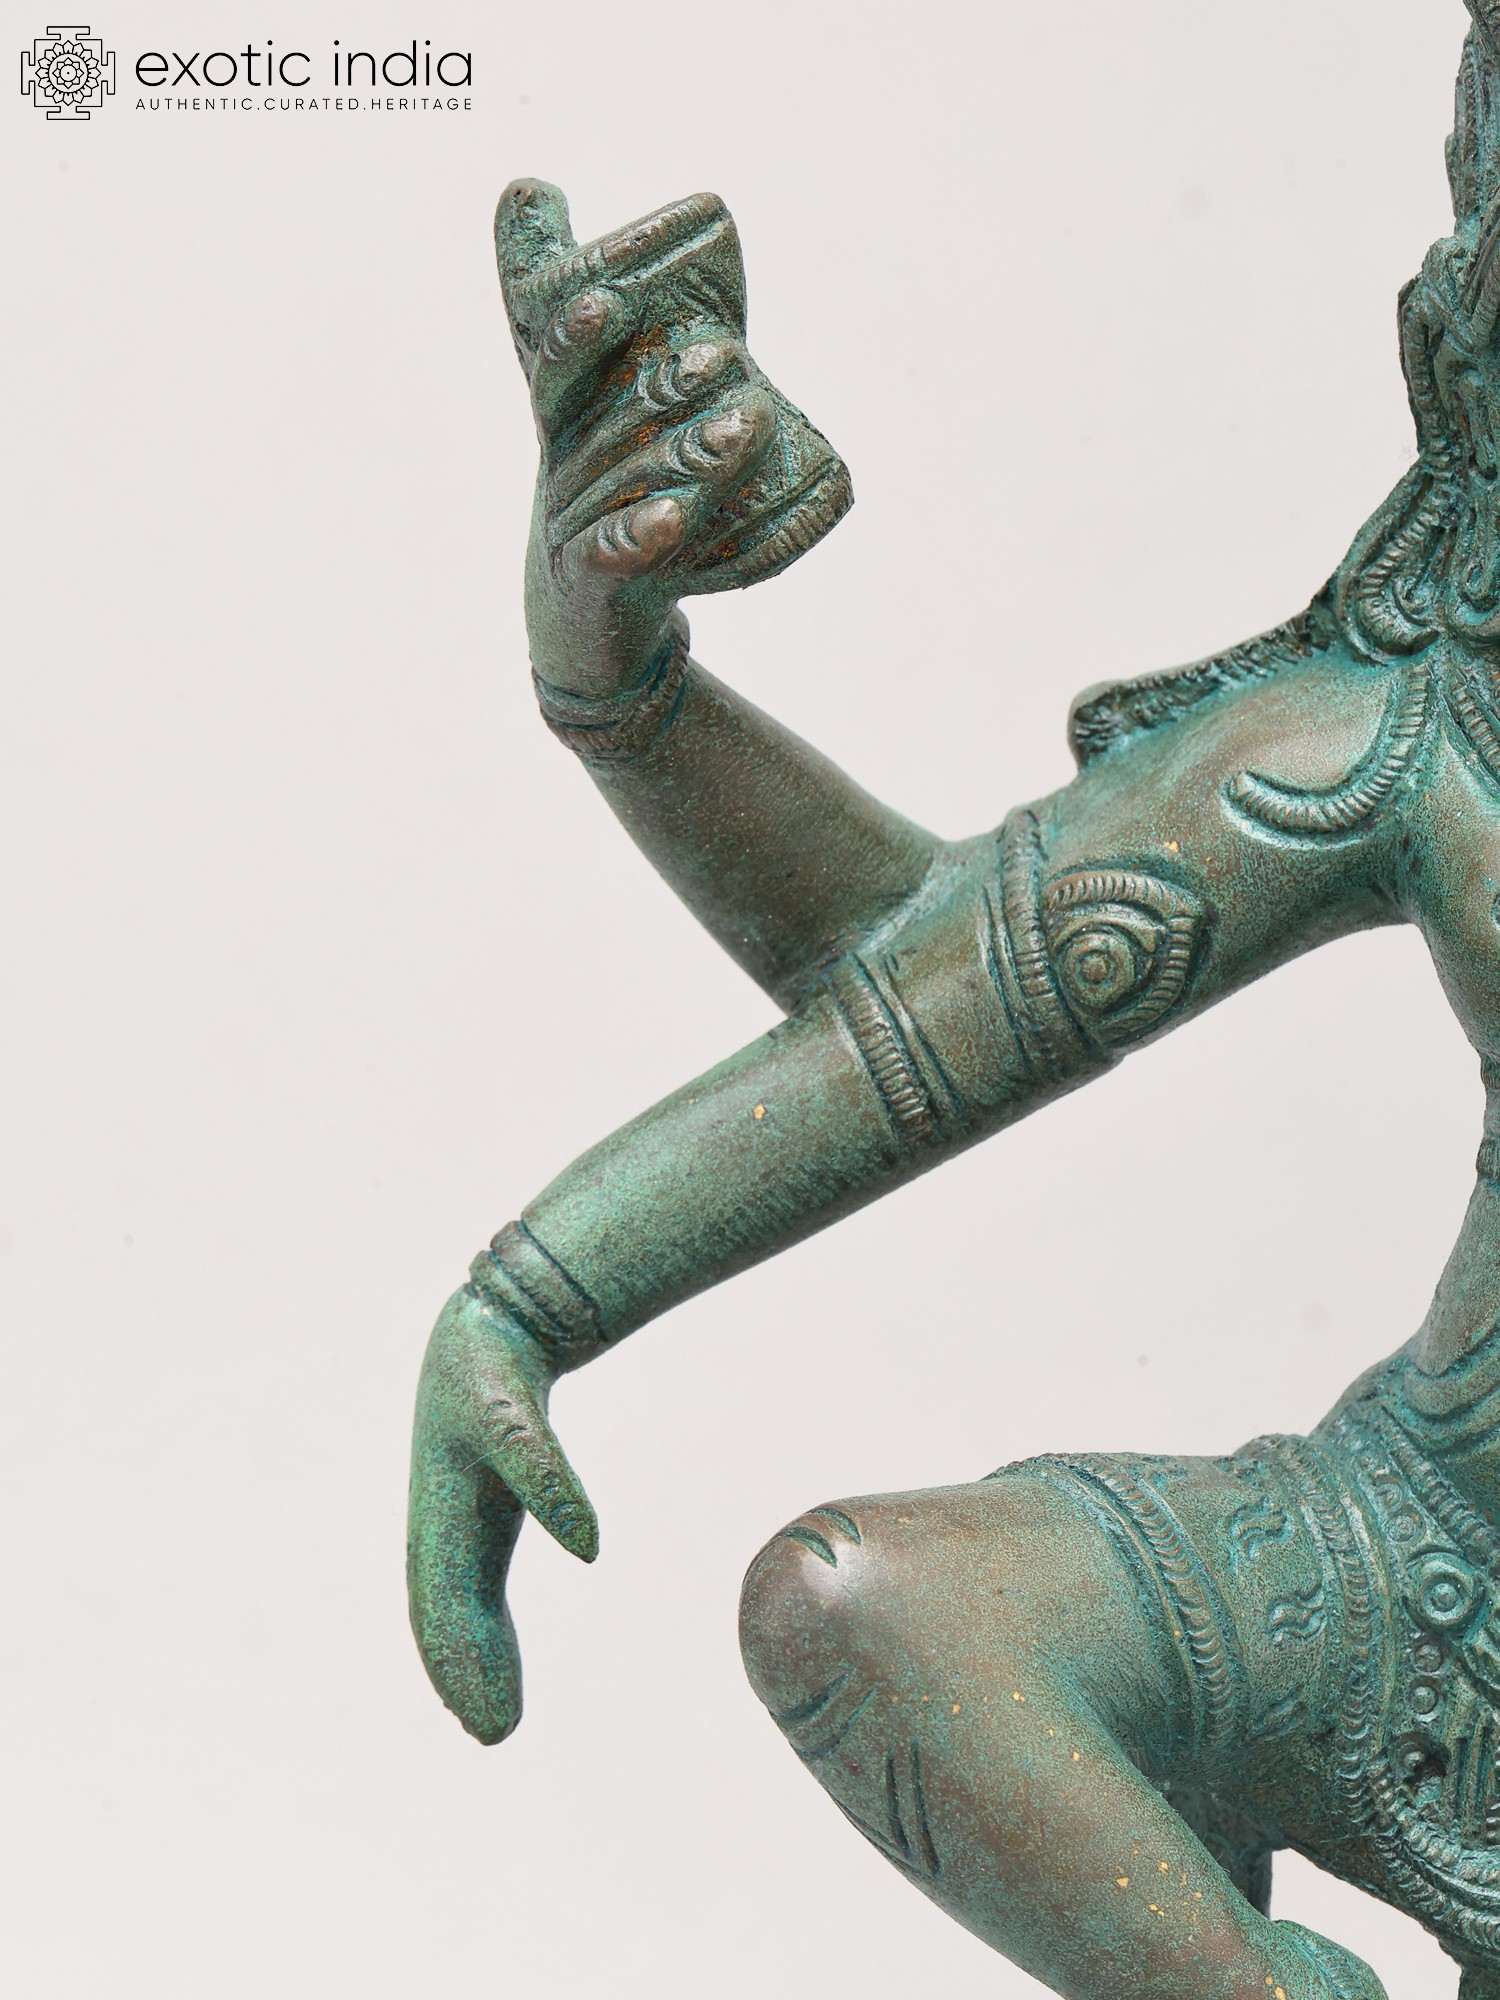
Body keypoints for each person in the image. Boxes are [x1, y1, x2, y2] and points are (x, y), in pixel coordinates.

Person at [406, 9, 1500, 1994]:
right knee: (876, 1616)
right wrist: (614, 681)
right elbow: (914, 986)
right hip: (1417, 1570)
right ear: (1464, 359)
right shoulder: (1421, 735)